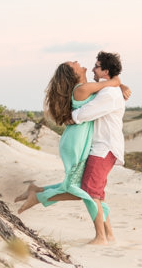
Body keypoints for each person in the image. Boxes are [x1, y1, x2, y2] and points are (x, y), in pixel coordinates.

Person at [15, 52, 129, 244]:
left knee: (91, 191)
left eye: (96, 66)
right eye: (74, 64)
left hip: (99, 145)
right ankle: (102, 235)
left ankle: (106, 235)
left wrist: (119, 83)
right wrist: (117, 81)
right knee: (88, 190)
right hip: (82, 141)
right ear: (72, 75)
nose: (86, 65)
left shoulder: (101, 91)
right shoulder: (88, 88)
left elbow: (102, 94)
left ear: (105, 71)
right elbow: (92, 103)